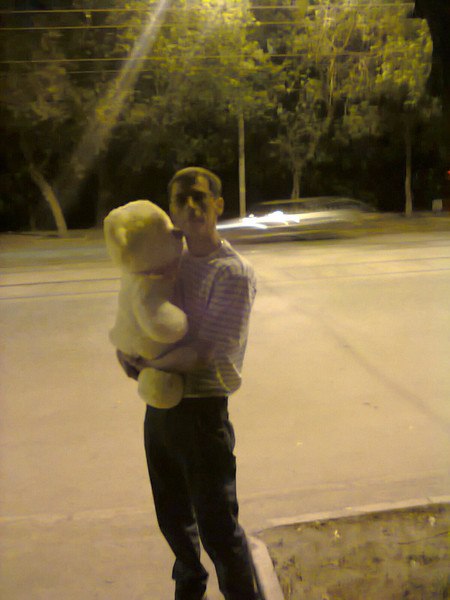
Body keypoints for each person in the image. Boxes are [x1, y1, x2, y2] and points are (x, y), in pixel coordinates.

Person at [117, 167, 258, 600]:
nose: (192, 206)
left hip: (202, 415)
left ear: (218, 204)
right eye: (182, 200)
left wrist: (147, 365)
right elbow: (140, 313)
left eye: (200, 197)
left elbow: (203, 352)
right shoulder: (167, 264)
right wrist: (127, 349)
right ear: (172, 213)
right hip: (160, 411)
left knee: (219, 530)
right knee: (173, 520)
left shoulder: (232, 272)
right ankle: (190, 588)